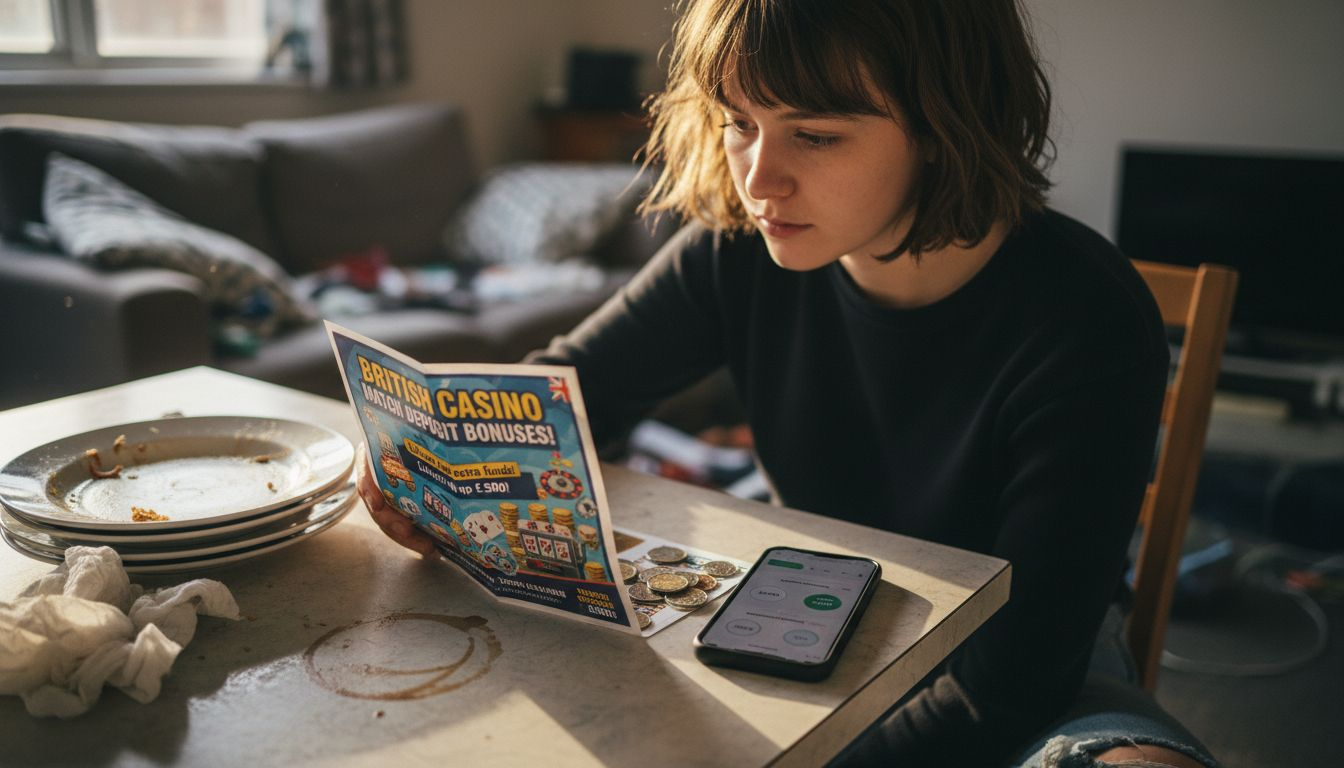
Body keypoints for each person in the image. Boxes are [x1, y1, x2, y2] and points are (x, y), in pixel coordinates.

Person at [358, 1, 1220, 765]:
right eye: (738, 122)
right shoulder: (736, 249)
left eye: (815, 134)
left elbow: (1010, 687)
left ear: (948, 123)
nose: (758, 179)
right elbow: (568, 396)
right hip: (804, 612)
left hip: (1019, 658)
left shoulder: (1087, 317)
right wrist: (428, 455)